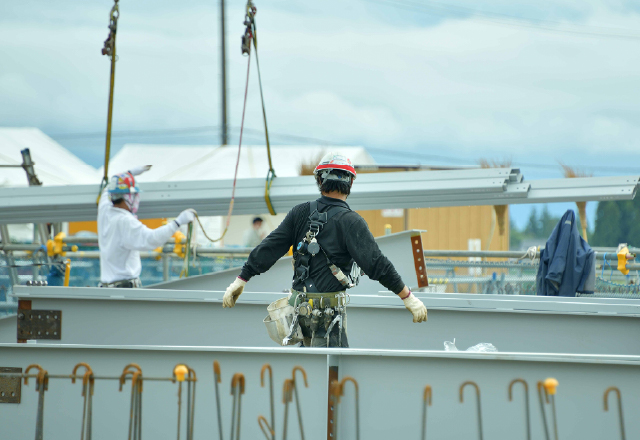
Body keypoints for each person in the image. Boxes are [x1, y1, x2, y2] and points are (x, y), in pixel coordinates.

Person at [222, 152, 427, 347]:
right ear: (351, 183)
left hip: (297, 316)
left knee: (307, 373)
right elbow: (376, 264)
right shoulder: (351, 222)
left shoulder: (300, 213)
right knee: (332, 377)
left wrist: (241, 279)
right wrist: (407, 297)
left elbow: (270, 247)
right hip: (329, 318)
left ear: (320, 180)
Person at [97, 165, 196, 288]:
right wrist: (178, 222)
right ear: (128, 196)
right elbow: (152, 239)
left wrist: (128, 174)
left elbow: (107, 189)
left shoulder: (105, 210)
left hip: (106, 288)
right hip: (123, 291)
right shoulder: (126, 221)